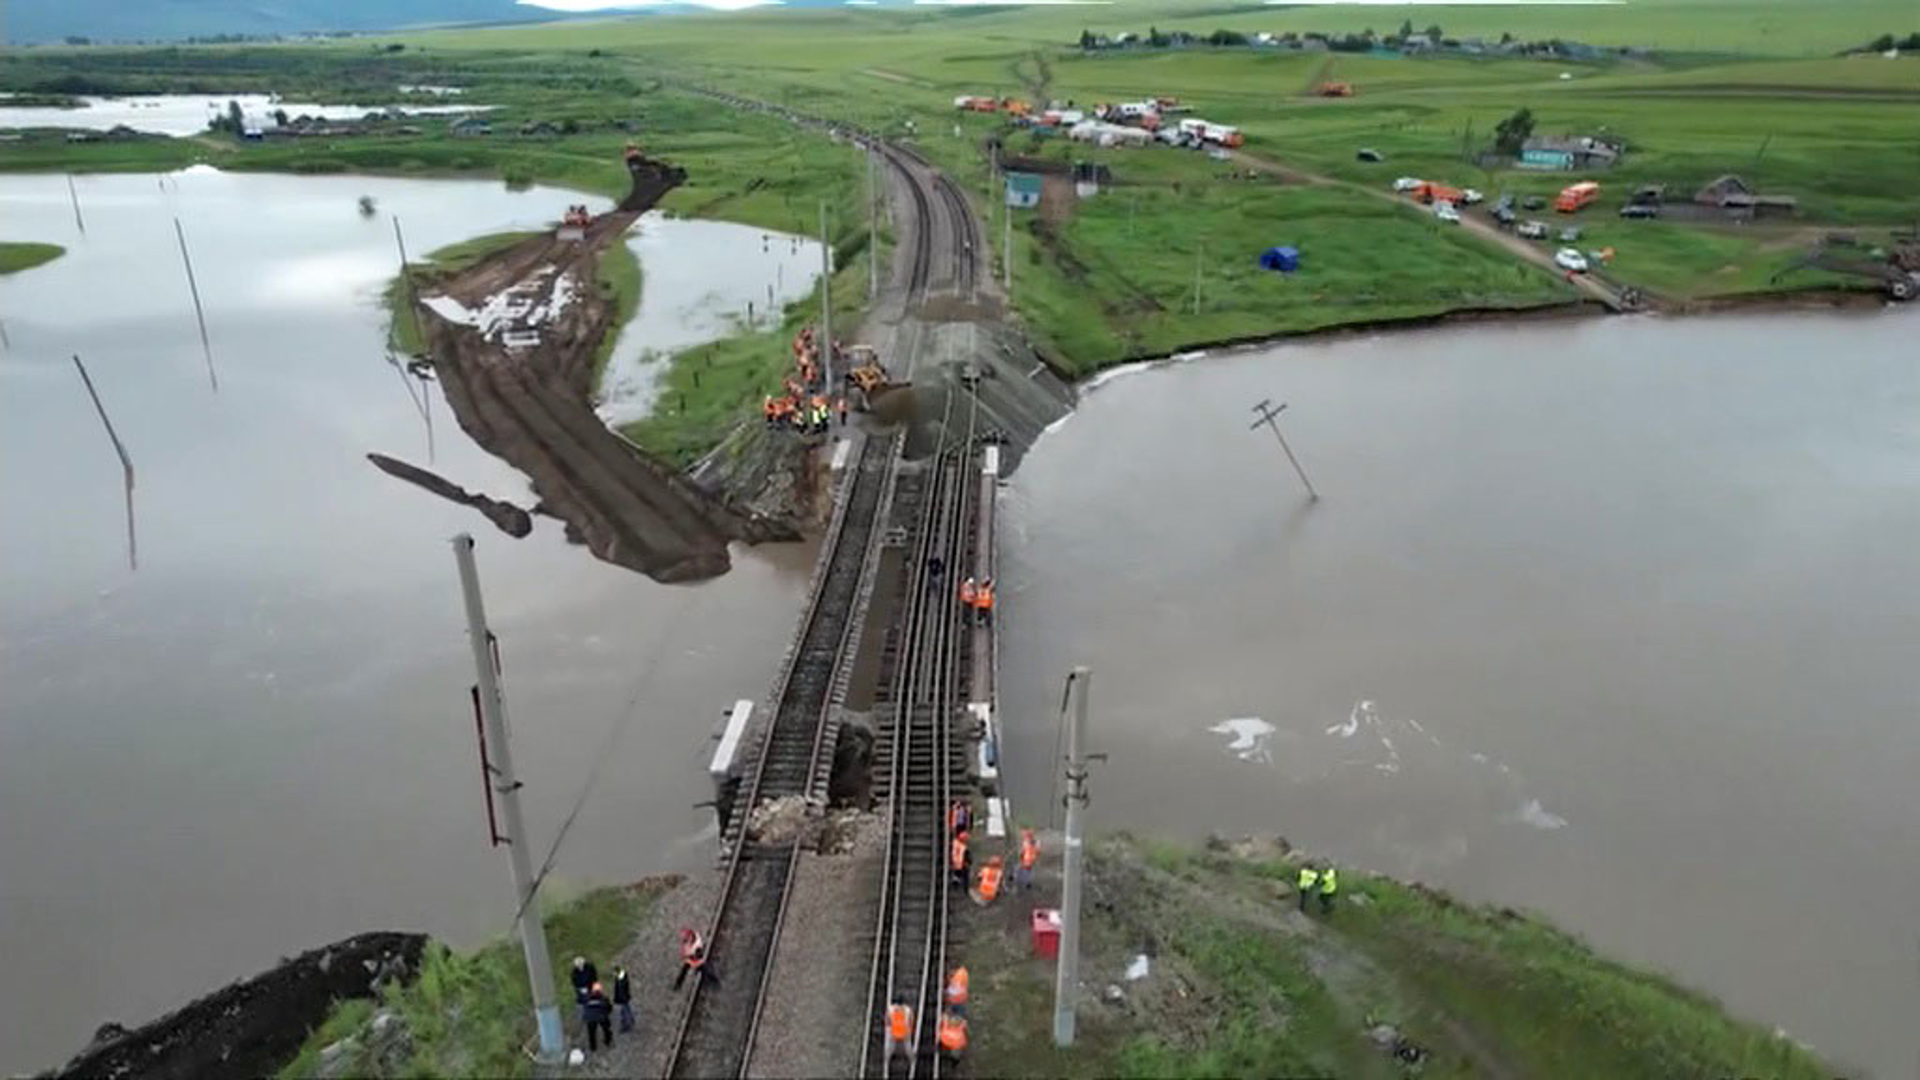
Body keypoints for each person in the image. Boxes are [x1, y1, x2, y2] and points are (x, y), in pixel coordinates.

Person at [583, 981, 614, 1051]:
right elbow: (609, 1008)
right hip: (601, 1017)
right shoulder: (604, 999)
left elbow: (585, 1007)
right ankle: (607, 1041)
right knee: (606, 1028)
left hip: (590, 1018)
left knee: (591, 1033)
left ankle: (593, 1047)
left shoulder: (587, 998)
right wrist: (607, 1013)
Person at [570, 956, 598, 1026]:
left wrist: (594, 986)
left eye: (581, 964)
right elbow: (574, 981)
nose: (580, 966)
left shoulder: (589, 967)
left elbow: (594, 977)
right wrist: (580, 988)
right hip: (581, 989)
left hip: (590, 987)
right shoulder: (574, 972)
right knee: (583, 1003)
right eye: (578, 965)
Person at [612, 965, 634, 1033]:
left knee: (624, 1012)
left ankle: (626, 1025)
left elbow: (620, 990)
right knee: (627, 1009)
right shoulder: (621, 978)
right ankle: (630, 1020)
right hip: (624, 998)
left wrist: (617, 999)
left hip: (622, 998)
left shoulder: (620, 980)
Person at [1017, 827, 1038, 892]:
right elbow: (1037, 851)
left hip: (1027, 859)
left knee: (1024, 870)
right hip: (1030, 859)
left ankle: (1026, 883)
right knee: (1027, 870)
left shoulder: (1028, 842)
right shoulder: (1033, 842)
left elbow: (1023, 850)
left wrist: (1021, 853)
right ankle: (1027, 882)